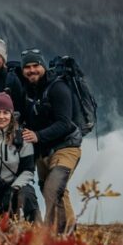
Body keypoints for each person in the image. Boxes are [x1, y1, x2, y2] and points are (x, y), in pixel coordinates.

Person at [13, 48, 82, 231]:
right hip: (42, 150)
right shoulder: (27, 90)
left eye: (35, 65)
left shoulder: (58, 87)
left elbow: (64, 123)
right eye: (27, 67)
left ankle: (65, 234)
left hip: (66, 147)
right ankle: (65, 233)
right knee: (52, 190)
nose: (31, 70)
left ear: (43, 66)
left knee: (53, 188)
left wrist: (37, 136)